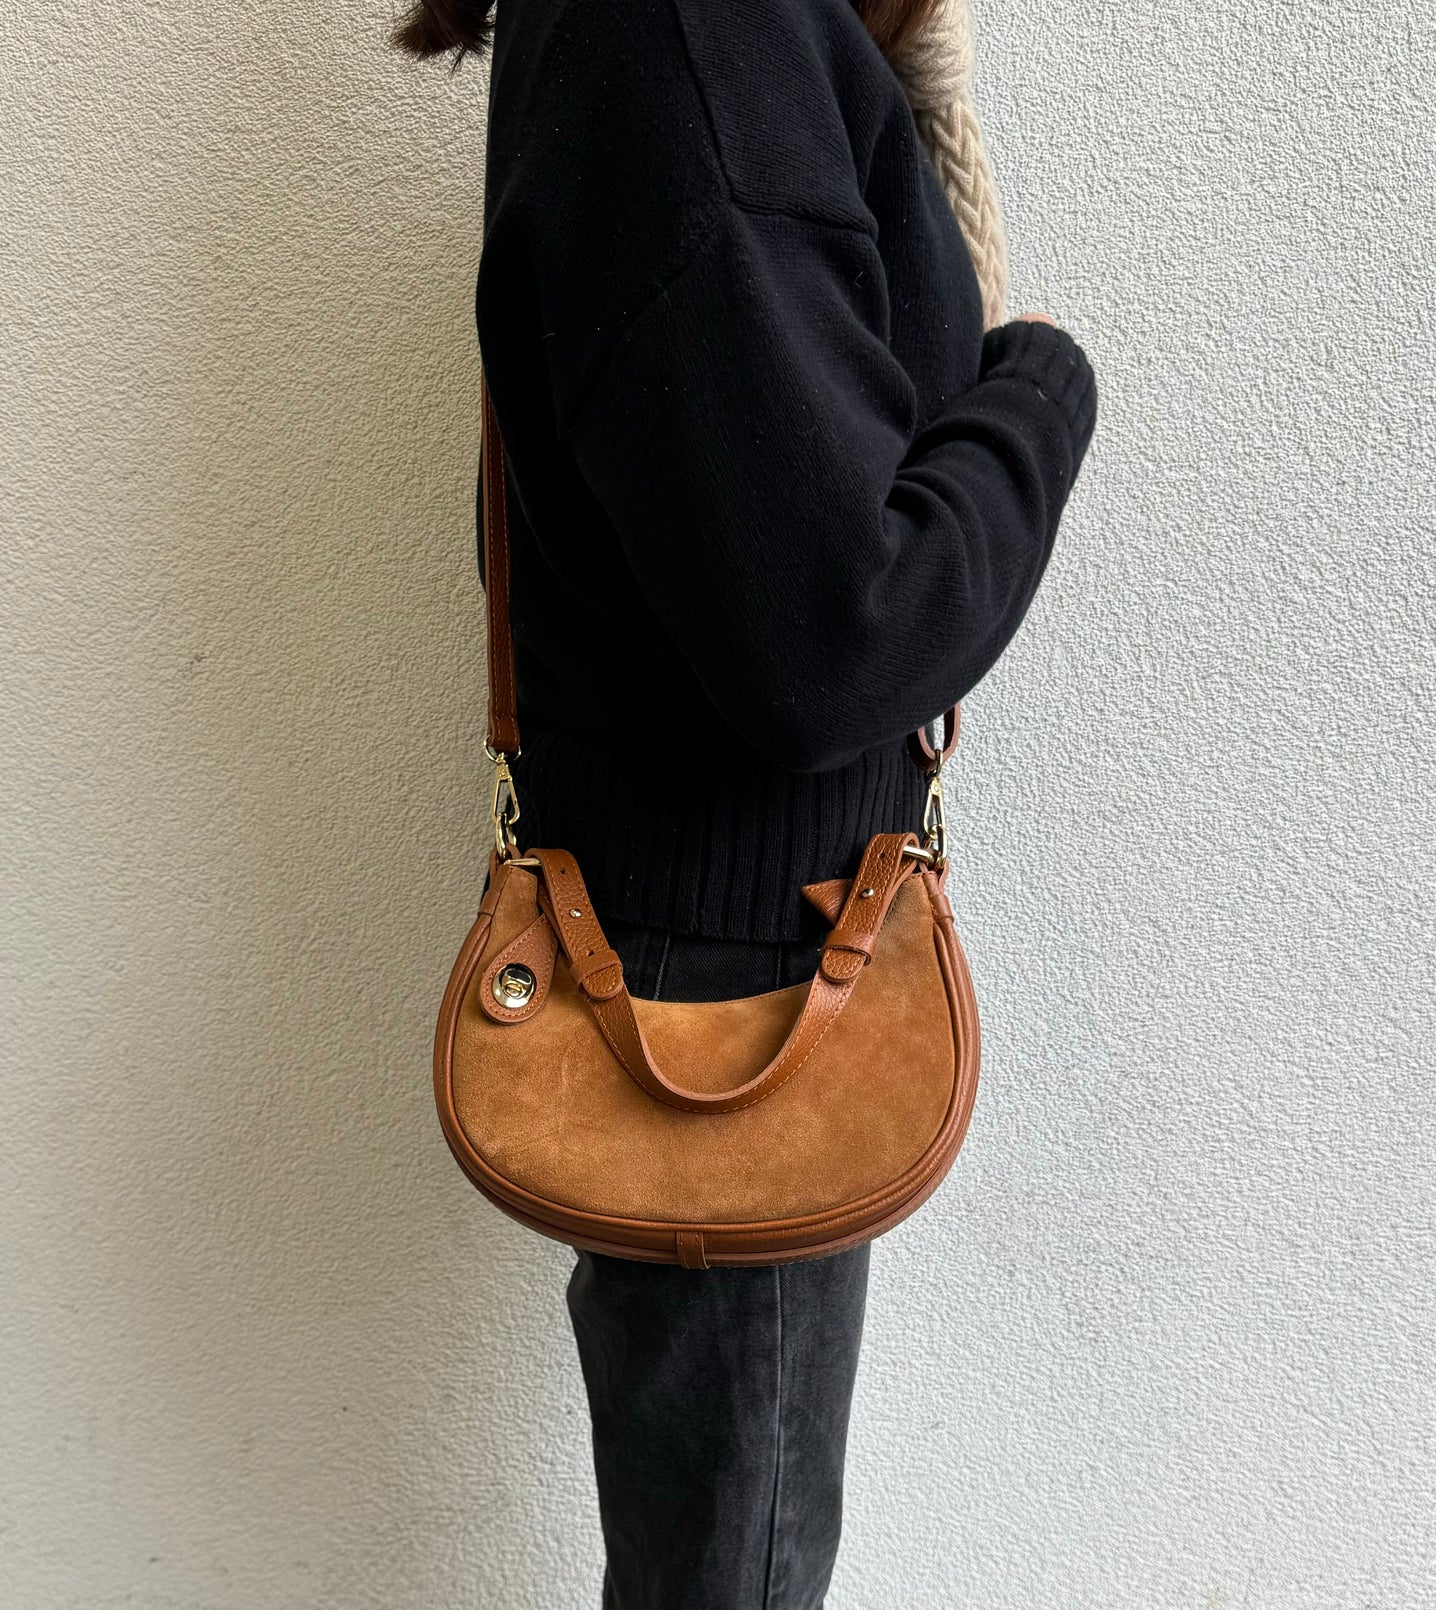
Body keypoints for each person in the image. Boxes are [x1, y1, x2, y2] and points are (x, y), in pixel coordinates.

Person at [394, 0, 1097, 1603]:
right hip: (732, 1010)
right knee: (735, 1572)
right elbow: (832, 633)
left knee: (721, 1557)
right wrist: (1043, 390)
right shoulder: (690, 40)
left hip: (714, 947)